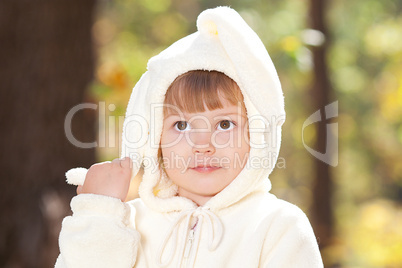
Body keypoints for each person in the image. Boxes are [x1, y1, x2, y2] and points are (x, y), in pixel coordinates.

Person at [56, 6, 323, 268]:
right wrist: (99, 214)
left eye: (225, 124)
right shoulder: (126, 224)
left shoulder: (277, 227)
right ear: (155, 138)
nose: (203, 145)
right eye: (181, 125)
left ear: (258, 134)